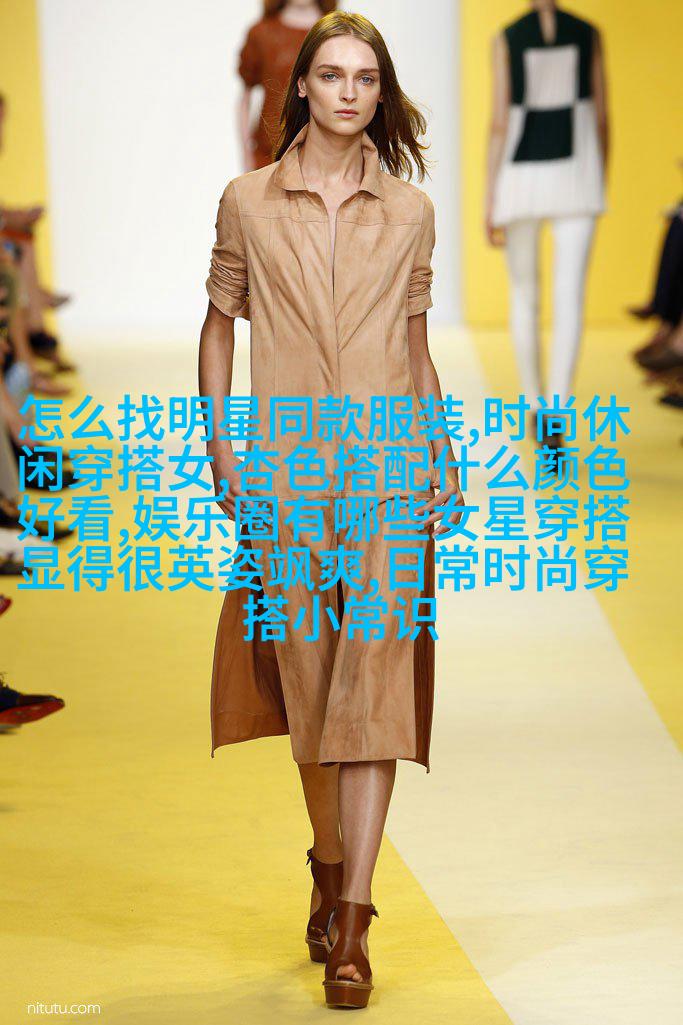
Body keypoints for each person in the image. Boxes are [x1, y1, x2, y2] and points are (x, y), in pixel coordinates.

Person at [199, 10, 464, 1009]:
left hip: (390, 474)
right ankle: (327, 855)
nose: (349, 92)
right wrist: (221, 444)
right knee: (312, 698)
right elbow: (218, 326)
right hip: (286, 477)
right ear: (300, 87)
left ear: (379, 93)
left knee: (375, 696)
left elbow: (414, 342)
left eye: (366, 77)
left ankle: (352, 920)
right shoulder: (247, 202)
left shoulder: (411, 211)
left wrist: (439, 443)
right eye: (332, 74)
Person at [485, 1, 608, 459]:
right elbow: (602, 116)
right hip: (579, 170)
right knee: (569, 296)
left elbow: (500, 122)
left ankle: (536, 403)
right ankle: (556, 411)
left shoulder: (507, 37)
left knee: (525, 295)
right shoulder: (588, 32)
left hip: (520, 176)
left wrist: (489, 198)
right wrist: (598, 174)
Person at [236, 0, 337, 171]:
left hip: (328, 150)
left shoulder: (337, 32)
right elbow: (245, 99)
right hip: (269, 152)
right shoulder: (261, 33)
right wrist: (247, 155)